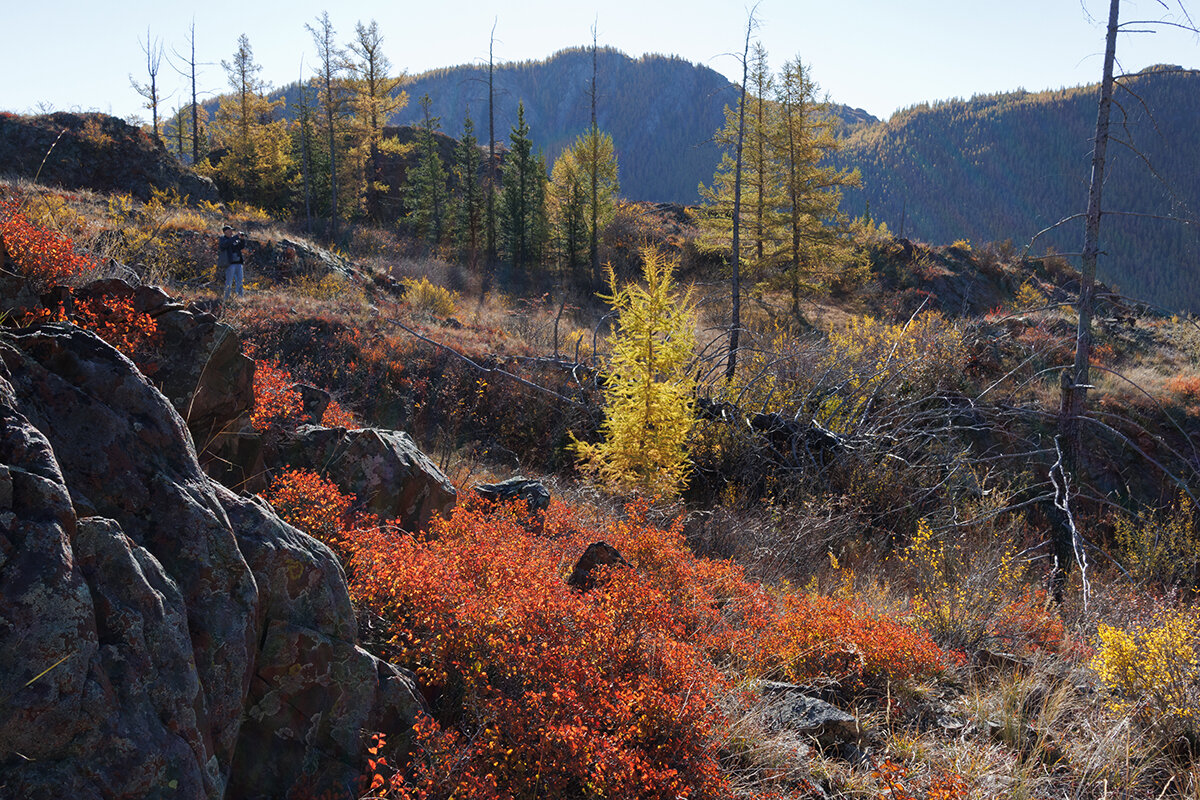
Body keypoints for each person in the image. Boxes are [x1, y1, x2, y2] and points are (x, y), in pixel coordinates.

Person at [217, 224, 246, 299]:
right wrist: (236, 237)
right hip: (230, 264)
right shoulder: (223, 239)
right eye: (229, 231)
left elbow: (241, 247)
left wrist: (242, 239)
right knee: (229, 282)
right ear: (225, 232)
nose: (231, 232)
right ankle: (226, 297)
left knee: (240, 282)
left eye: (231, 231)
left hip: (238, 263)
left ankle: (240, 297)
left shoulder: (234, 240)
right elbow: (225, 244)